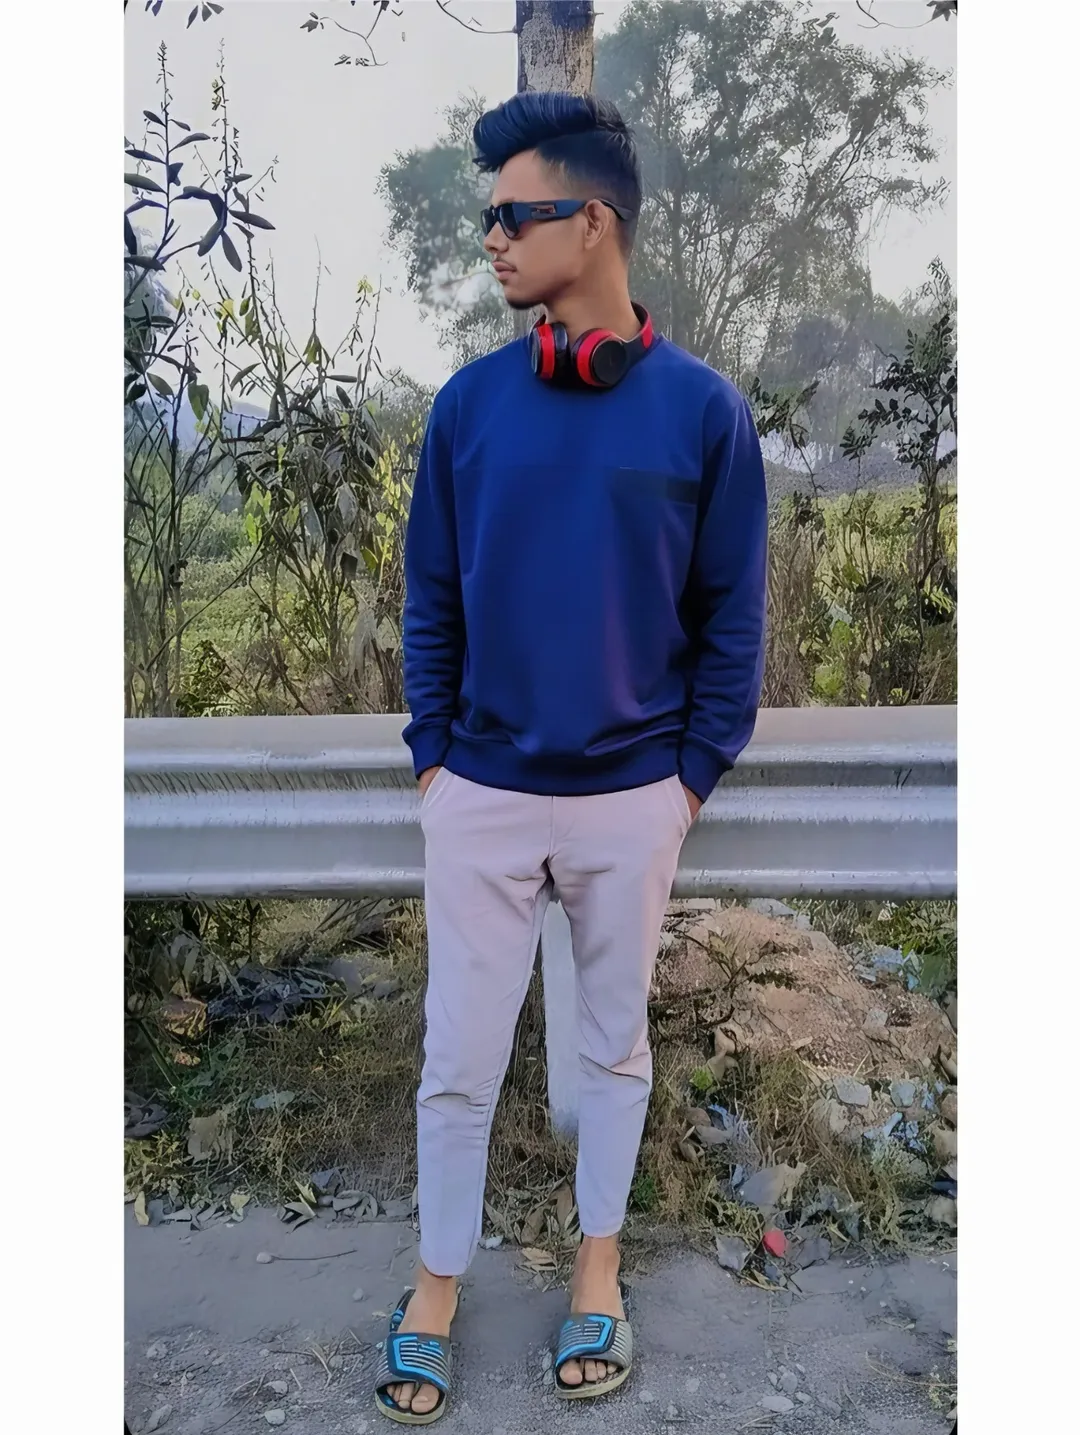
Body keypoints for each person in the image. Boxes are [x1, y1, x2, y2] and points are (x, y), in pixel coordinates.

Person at [374, 91, 768, 1425]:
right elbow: (431, 599)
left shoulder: (704, 414)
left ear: (592, 224)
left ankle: (598, 1269)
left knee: (613, 1053)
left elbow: (733, 619)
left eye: (515, 214)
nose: (491, 238)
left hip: (631, 797)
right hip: (481, 791)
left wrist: (687, 780)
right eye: (486, 218)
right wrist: (436, 759)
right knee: (457, 1058)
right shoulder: (468, 408)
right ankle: (436, 1282)